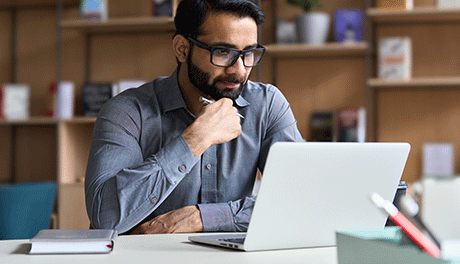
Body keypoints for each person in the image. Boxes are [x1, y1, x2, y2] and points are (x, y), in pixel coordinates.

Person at [84, 0, 303, 235]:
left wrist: (204, 217)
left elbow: (304, 199)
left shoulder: (267, 105)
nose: (239, 70)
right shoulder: (127, 111)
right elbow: (105, 217)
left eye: (248, 53)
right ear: (182, 49)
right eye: (223, 52)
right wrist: (195, 139)